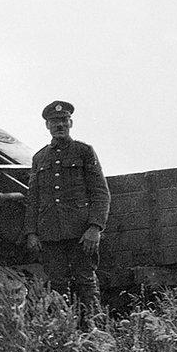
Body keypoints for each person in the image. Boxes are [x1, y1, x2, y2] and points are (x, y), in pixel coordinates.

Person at [24, 101, 110, 316]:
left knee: (86, 282)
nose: (59, 125)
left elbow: (100, 192)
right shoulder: (39, 158)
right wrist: (31, 232)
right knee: (58, 286)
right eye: (54, 122)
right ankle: (65, 332)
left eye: (63, 121)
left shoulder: (83, 151)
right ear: (47, 126)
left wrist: (94, 228)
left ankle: (95, 331)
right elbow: (33, 198)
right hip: (50, 233)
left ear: (70, 123)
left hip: (81, 232)